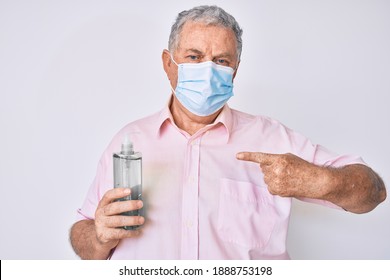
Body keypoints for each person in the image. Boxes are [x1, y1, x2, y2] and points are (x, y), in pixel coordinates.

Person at [70, 5, 386, 260]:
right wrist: (98, 236)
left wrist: (319, 180)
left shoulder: (272, 140)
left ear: (235, 70)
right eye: (194, 57)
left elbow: (373, 193)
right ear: (169, 64)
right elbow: (81, 234)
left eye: (221, 60)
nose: (208, 70)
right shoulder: (129, 141)